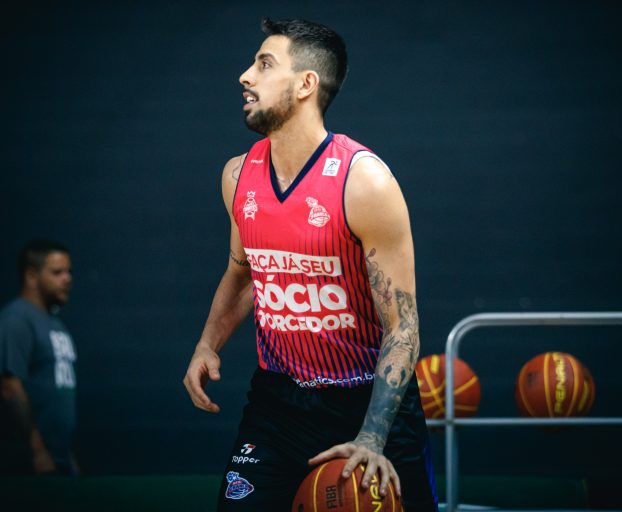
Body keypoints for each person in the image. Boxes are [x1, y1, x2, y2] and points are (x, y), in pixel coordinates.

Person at [183, 18, 437, 510]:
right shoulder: (238, 176)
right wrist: (207, 343)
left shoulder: (364, 183)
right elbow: (244, 274)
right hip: (280, 403)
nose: (245, 76)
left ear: (306, 84)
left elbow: (403, 328)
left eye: (264, 64)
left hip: (368, 401)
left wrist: (372, 435)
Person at [0, 239, 78, 475]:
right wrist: (37, 450)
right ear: (31, 276)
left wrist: (66, 456)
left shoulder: (55, 323)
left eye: (69, 272)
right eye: (57, 272)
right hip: (28, 464)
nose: (67, 279)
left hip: (59, 460)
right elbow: (10, 388)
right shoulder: (16, 320)